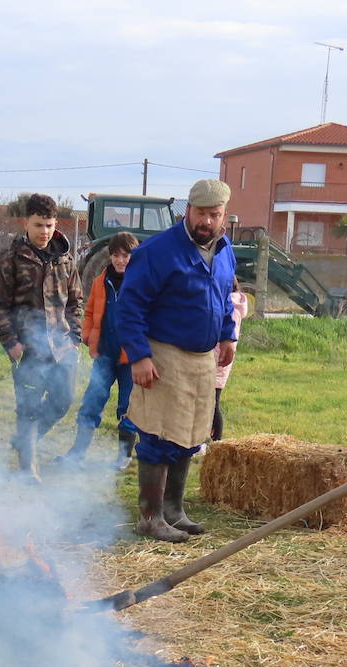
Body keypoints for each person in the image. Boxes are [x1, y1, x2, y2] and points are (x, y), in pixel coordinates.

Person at [116, 179, 237, 542]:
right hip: (162, 354)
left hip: (203, 356)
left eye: (214, 215)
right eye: (201, 213)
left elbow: (226, 293)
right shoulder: (157, 252)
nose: (207, 222)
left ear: (223, 216)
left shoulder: (225, 250)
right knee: (158, 433)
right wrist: (138, 356)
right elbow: (130, 307)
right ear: (188, 210)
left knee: (189, 434)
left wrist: (228, 333)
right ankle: (150, 517)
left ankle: (174, 510)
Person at [0, 193, 84, 481]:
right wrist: (12, 343)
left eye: (49, 225)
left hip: (63, 349)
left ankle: (23, 442)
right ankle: (27, 467)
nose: (44, 232)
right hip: (27, 350)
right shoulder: (10, 261)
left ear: (56, 224)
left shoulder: (66, 260)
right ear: (25, 223)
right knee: (28, 408)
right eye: (39, 225)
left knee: (63, 401)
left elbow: (76, 302)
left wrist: (74, 337)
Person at [60, 232, 139, 469]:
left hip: (130, 357)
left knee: (128, 406)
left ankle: (124, 454)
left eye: (125, 255)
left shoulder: (141, 283)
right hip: (104, 353)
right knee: (92, 401)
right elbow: (90, 312)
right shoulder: (100, 281)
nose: (120, 260)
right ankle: (78, 451)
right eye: (116, 255)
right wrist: (87, 335)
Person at [211, 283, 250, 443]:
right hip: (217, 359)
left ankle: (216, 441)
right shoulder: (231, 304)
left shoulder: (231, 306)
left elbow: (228, 337)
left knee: (213, 404)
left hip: (218, 360)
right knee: (210, 403)